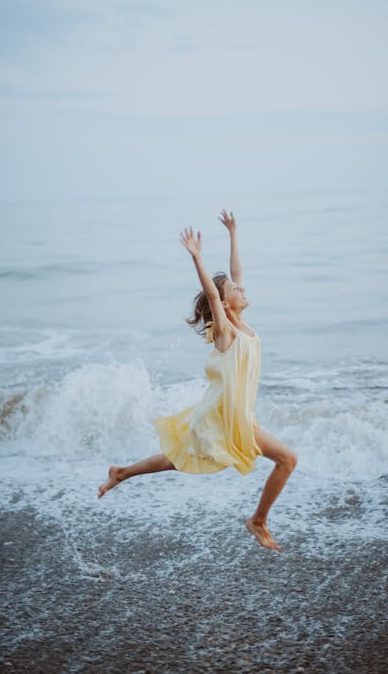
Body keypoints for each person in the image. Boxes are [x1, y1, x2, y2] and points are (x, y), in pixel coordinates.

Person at [98, 210, 297, 550]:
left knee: (182, 458)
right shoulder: (225, 330)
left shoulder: (241, 321)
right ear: (223, 302)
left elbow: (235, 274)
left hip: (233, 415)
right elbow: (214, 291)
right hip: (227, 417)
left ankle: (123, 472)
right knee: (287, 459)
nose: (242, 288)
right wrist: (197, 258)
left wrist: (234, 234)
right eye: (234, 290)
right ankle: (258, 521)